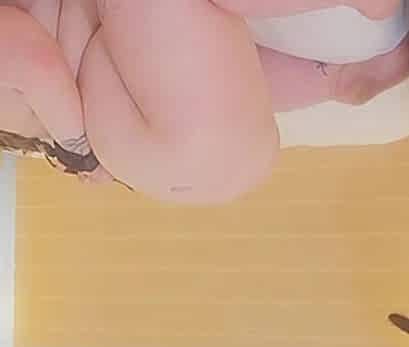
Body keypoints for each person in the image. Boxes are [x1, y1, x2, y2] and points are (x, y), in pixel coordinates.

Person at [1, 0, 409, 204]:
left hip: (185, 149)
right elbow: (35, 63)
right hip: (172, 139)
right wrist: (80, 151)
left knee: (179, 37)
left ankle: (337, 80)